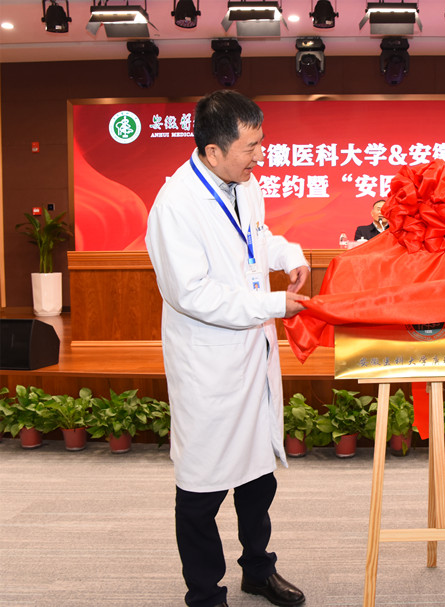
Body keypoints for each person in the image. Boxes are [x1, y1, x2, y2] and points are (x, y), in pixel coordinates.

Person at [145, 90, 310, 607]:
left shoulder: (243, 182)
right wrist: (272, 303)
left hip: (251, 355)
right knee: (202, 491)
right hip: (209, 365)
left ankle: (258, 570)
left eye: (261, 142)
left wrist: (290, 255)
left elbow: (254, 237)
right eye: (251, 147)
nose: (260, 155)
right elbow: (190, 294)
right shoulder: (175, 205)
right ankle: (204, 594)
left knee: (258, 480)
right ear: (213, 151)